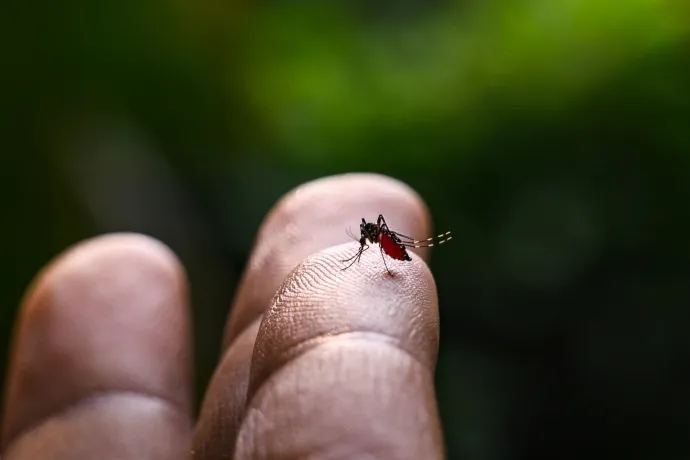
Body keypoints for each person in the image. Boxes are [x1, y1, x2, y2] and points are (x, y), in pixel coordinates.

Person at [1, 174, 446, 459]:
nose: (367, 235)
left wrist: (387, 250)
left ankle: (414, 248)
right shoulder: (368, 236)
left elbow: (377, 237)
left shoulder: (378, 237)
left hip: (391, 258)